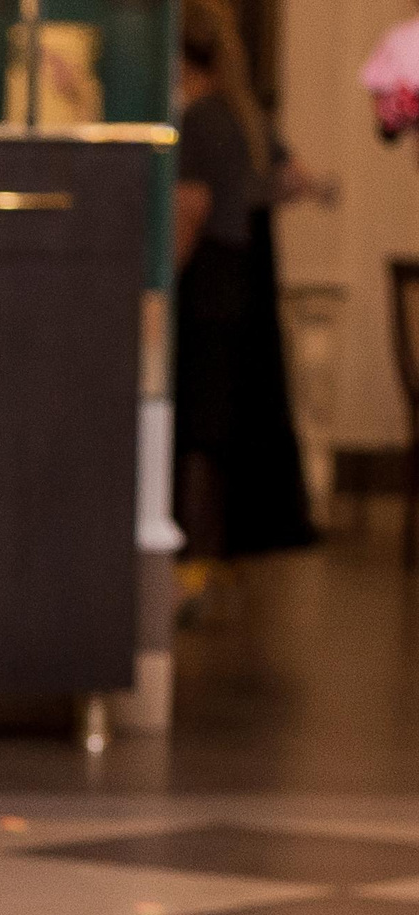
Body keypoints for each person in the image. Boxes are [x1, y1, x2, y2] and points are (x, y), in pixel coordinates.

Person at [173, 0, 319, 568]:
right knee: (225, 420)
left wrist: (164, 276)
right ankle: (215, 553)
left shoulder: (199, 119)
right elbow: (296, 179)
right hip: (246, 279)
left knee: (198, 423)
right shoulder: (245, 115)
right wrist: (251, 197)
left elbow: (192, 207)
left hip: (208, 282)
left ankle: (193, 553)